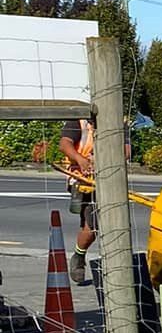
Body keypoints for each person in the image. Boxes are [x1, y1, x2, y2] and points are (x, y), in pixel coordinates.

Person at [58, 117, 96, 285]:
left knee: (103, 223)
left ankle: (80, 254)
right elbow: (64, 144)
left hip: (109, 178)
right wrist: (81, 160)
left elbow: (126, 149)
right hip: (82, 179)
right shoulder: (79, 122)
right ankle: (79, 256)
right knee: (92, 224)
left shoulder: (118, 121)